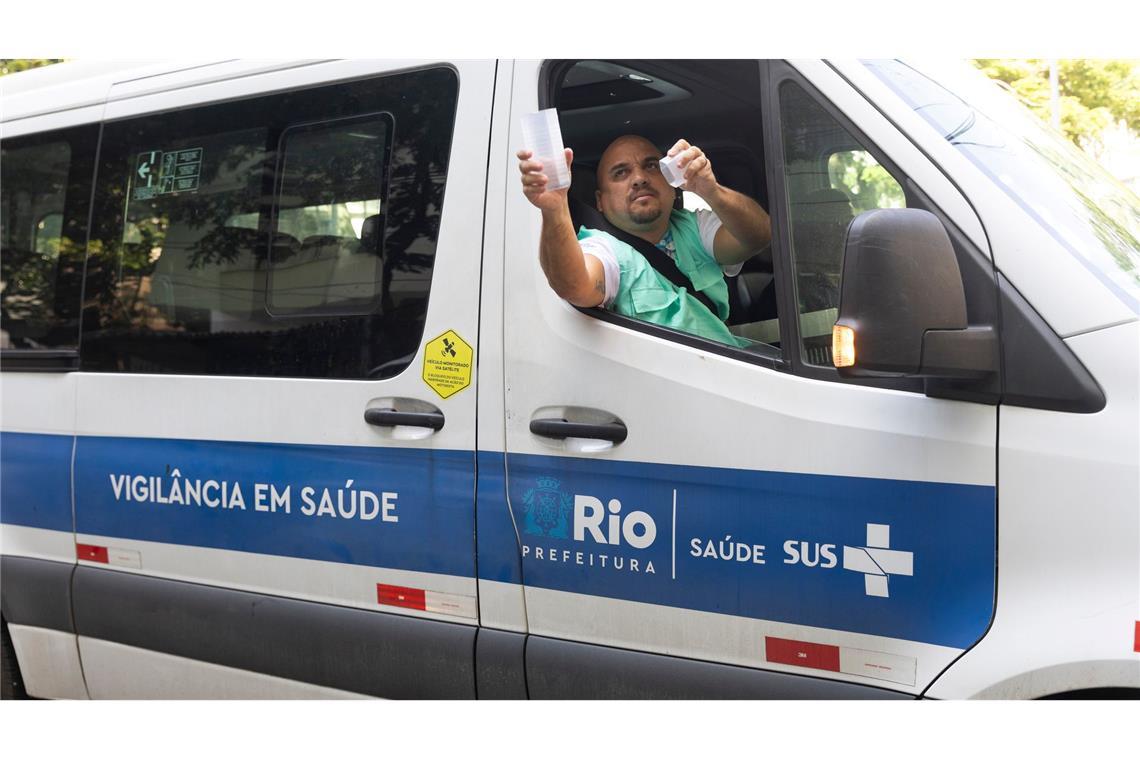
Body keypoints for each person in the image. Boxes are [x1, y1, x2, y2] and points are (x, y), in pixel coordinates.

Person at [517, 135, 772, 346]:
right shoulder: (604, 247)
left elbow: (758, 236)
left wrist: (711, 190)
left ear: (671, 183)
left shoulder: (695, 226)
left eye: (651, 166)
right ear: (600, 202)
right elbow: (574, 285)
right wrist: (555, 210)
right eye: (621, 173)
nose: (639, 178)